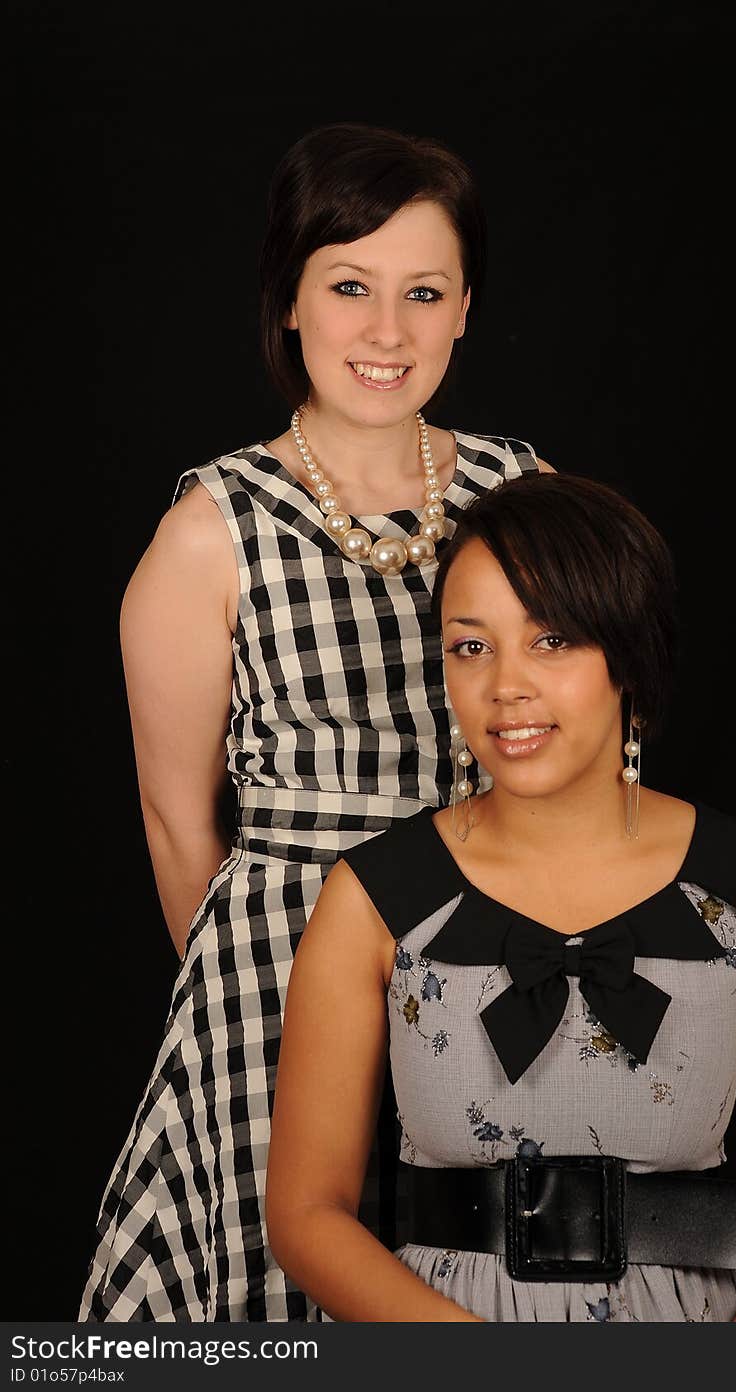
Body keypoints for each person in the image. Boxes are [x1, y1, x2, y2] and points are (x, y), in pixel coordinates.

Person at [78, 123, 552, 1323]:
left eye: (422, 293)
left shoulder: (528, 494)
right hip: (283, 974)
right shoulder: (212, 530)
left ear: (462, 315)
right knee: (286, 1300)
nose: (384, 332)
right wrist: (260, 1013)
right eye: (348, 286)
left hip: (506, 948)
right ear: (290, 300)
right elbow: (179, 821)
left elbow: (600, 734)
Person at [265, 472, 736, 1322]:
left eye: (551, 641)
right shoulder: (373, 897)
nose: (506, 685)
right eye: (471, 646)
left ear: (631, 653)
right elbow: (304, 1213)